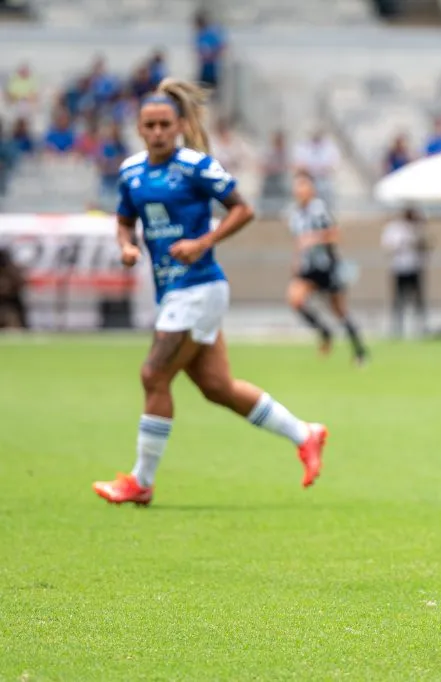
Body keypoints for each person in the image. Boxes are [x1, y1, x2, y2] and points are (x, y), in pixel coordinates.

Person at [92, 79, 328, 507]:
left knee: (153, 375)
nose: (159, 131)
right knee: (217, 386)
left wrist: (203, 242)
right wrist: (126, 245)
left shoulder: (196, 167)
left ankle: (141, 481)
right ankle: (305, 433)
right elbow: (125, 218)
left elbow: (244, 208)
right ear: (140, 129)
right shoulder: (131, 172)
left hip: (199, 286)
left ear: (180, 125)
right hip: (171, 290)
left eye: (166, 123)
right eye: (150, 125)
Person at [286, 170, 368, 364]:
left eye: (303, 185)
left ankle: (359, 352)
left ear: (311, 188)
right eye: (297, 185)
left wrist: (313, 239)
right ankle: (324, 332)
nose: (299, 189)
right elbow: (299, 242)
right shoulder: (295, 214)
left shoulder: (319, 209)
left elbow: (334, 234)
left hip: (327, 266)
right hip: (308, 268)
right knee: (295, 300)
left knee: (339, 310)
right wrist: (297, 260)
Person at [381, 207, 429, 338]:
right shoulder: (394, 228)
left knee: (418, 300)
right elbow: (389, 247)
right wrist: (404, 243)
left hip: (415, 267)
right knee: (399, 299)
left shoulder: (417, 229)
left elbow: (425, 247)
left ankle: (421, 327)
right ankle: (397, 328)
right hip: (400, 268)